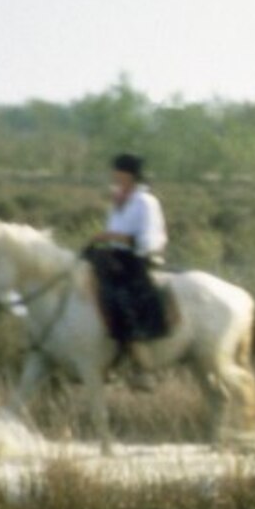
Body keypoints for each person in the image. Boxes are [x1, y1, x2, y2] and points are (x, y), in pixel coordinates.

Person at [88, 153, 169, 389]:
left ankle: (140, 364)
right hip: (116, 255)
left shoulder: (146, 202)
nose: (115, 176)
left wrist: (113, 236)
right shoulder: (118, 199)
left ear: (129, 175)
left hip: (139, 258)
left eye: (119, 172)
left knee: (121, 298)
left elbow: (149, 239)